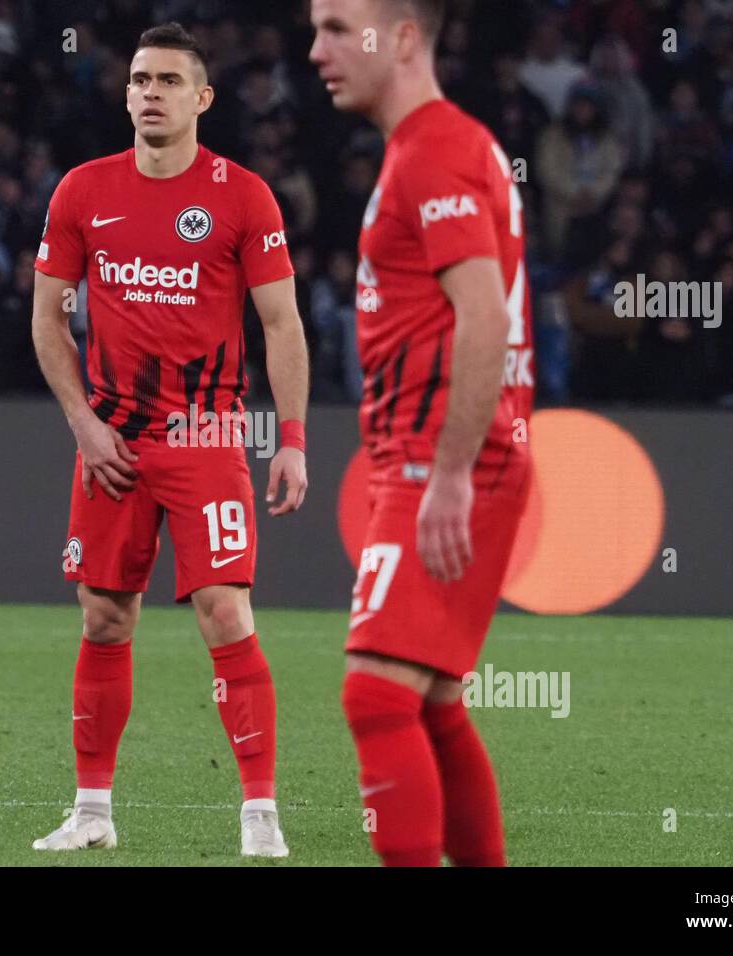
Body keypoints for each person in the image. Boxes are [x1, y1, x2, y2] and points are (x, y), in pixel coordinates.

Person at [30, 22, 309, 857]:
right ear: (126, 95)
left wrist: (290, 438)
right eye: (140, 80)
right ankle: (91, 812)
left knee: (226, 612)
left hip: (206, 436)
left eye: (167, 81)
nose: (150, 92)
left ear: (202, 99)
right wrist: (83, 424)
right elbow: (48, 319)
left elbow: (281, 323)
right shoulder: (83, 191)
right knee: (106, 618)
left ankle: (259, 817)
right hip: (112, 442)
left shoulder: (243, 195)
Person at [310, 0, 534, 866]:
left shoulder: (435, 151)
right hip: (446, 451)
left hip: (441, 454)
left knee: (375, 695)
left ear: (402, 36)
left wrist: (448, 474)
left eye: (336, 27)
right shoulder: (447, 144)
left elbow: (482, 317)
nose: (316, 48)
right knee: (433, 699)